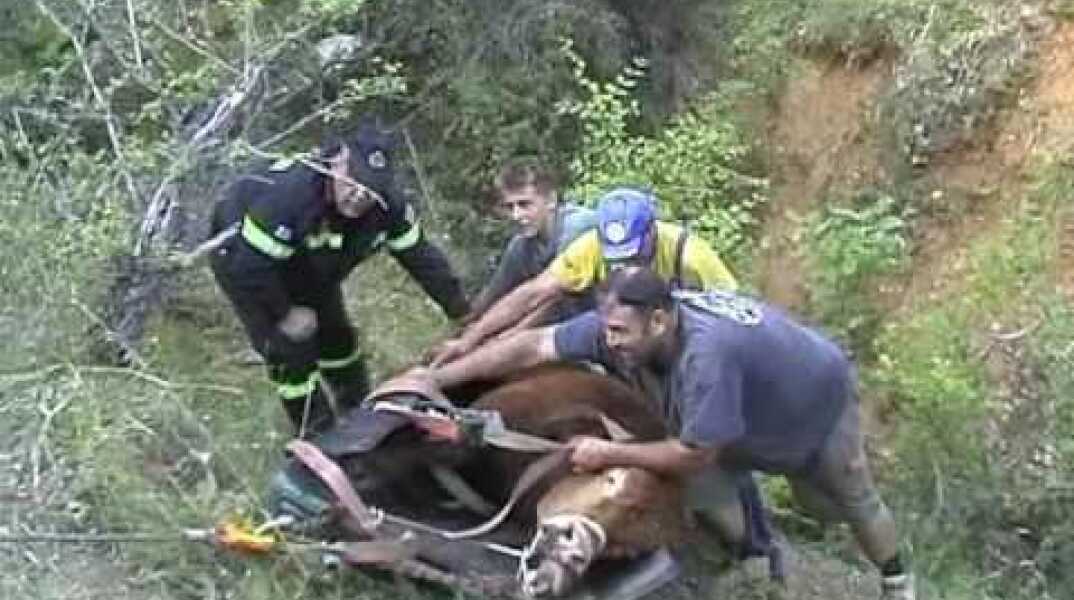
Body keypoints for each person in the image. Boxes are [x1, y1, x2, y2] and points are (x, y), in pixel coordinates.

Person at [420, 268, 915, 600]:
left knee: (843, 500)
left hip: (813, 406)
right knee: (703, 484)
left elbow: (694, 455)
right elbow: (534, 347)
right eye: (606, 329)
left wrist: (608, 451)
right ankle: (756, 560)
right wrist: (442, 378)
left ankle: (899, 582)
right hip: (738, 419)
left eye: (619, 333)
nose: (608, 342)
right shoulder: (632, 323)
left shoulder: (707, 360)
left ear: (659, 320)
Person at [209, 118, 469, 436]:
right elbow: (250, 267)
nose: (360, 196)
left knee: (337, 337)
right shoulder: (292, 198)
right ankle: (318, 434)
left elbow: (423, 259)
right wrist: (285, 312)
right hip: (246, 259)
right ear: (337, 163)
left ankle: (358, 414)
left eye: (371, 189)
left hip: (310, 264)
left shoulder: (389, 208)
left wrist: (462, 313)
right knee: (290, 348)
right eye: (354, 182)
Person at [432, 186, 738, 365]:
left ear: (652, 233)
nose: (627, 267)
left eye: (634, 255)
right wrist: (469, 340)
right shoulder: (591, 245)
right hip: (622, 339)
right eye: (617, 258)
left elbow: (735, 314)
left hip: (684, 342)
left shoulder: (691, 254)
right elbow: (534, 293)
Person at [467, 157, 598, 323]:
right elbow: (493, 296)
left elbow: (550, 297)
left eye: (524, 205)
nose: (516, 215)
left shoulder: (577, 226)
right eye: (510, 207)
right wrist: (464, 328)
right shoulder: (521, 245)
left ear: (551, 200)